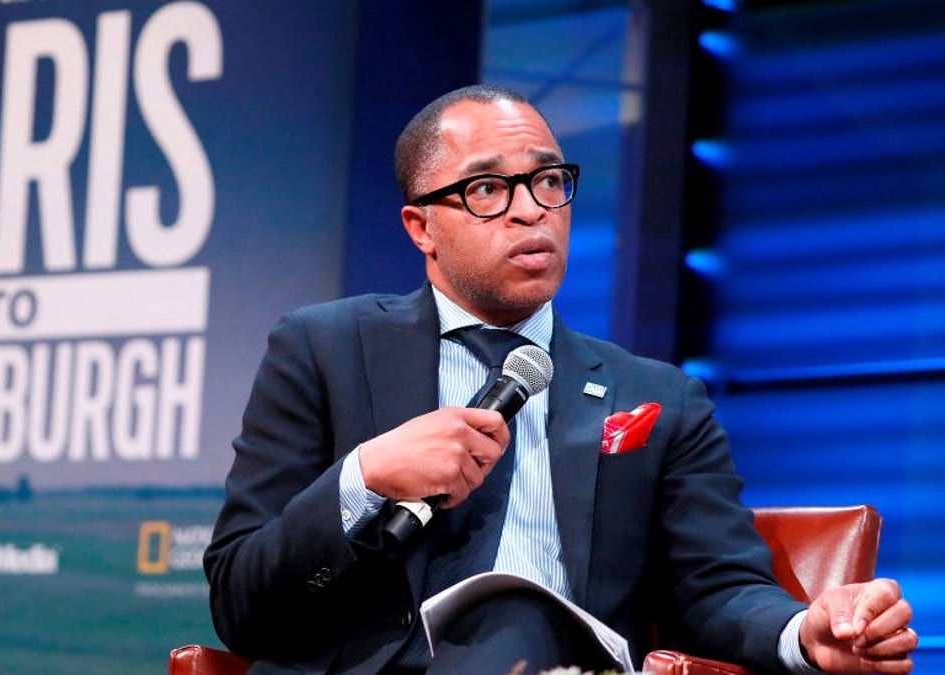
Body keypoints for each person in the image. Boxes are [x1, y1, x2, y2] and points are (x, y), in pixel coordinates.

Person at [203, 84, 917, 674]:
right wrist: (366, 475)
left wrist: (805, 635)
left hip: (566, 664)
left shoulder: (658, 396)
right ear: (421, 227)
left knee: (516, 616)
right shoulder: (323, 348)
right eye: (488, 187)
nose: (531, 208)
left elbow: (719, 587)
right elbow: (242, 599)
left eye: (549, 180)